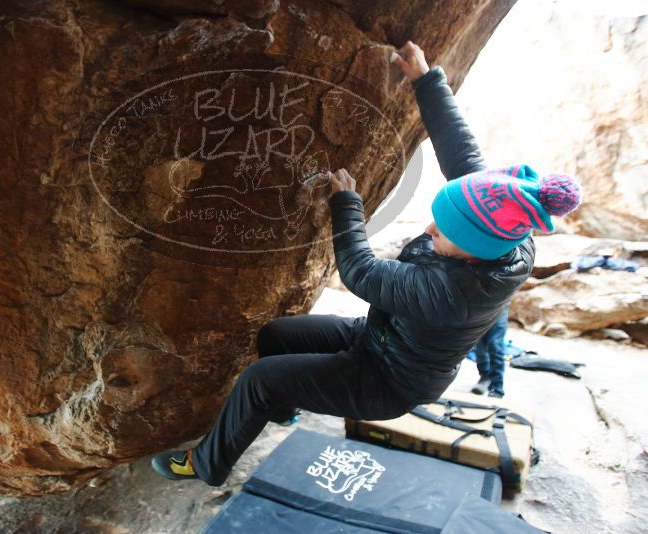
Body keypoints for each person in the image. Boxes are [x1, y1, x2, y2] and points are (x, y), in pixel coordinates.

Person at [150, 41, 582, 485]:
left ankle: (205, 465)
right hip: (378, 337)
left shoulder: (456, 294)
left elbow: (360, 271)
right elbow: (462, 156)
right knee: (276, 335)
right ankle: (281, 409)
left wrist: (347, 206)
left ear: (474, 246)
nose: (431, 230)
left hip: (387, 380)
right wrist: (427, 80)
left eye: (444, 229)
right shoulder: (507, 230)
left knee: (260, 378)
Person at [469, 307, 509, 398]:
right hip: (480, 307)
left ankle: (497, 387)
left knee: (495, 345)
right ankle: (485, 377)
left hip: (499, 305)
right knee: (480, 346)